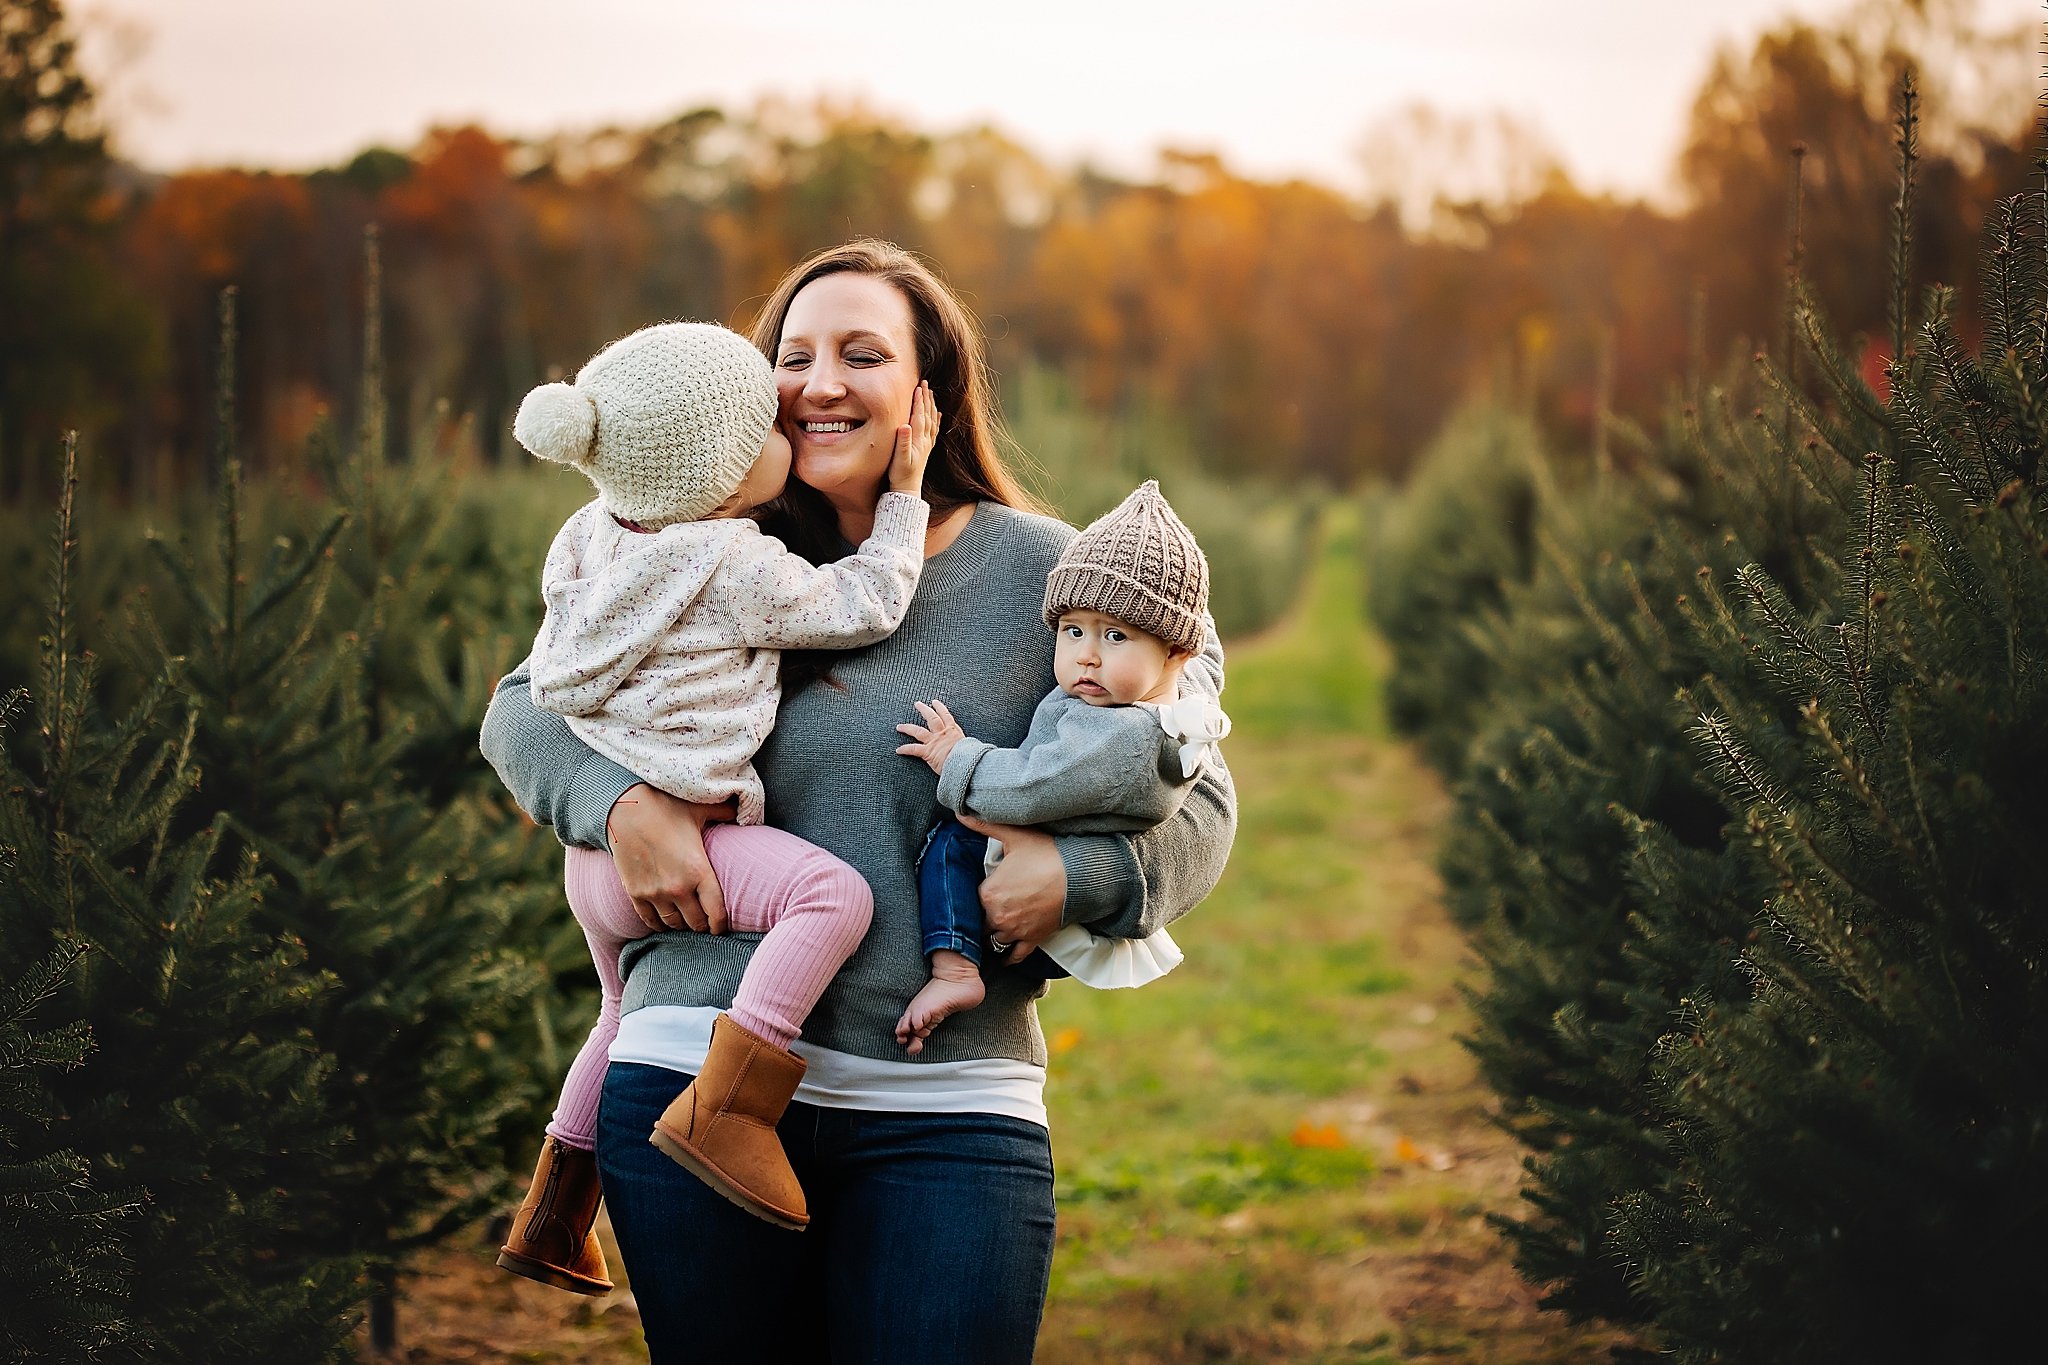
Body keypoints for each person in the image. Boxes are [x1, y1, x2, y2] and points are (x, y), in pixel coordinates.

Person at [479, 239, 1236, 1363]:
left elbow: (1199, 790)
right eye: (792, 355)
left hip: (945, 1102)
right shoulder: (696, 544)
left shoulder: (1058, 574)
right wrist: (620, 804)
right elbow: (519, 708)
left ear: (927, 394)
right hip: (688, 1069)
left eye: (861, 354)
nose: (819, 382)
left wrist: (1077, 878)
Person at [496, 320, 943, 1291]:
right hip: (688, 839)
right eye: (768, 414)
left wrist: (604, 801)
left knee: (614, 1008)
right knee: (830, 899)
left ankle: (554, 1208)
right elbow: (862, 603)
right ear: (727, 472)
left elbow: (540, 688)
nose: (796, 408)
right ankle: (730, 1109)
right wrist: (903, 503)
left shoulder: (590, 537)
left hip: (590, 867)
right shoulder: (731, 563)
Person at [891, 479, 1232, 1055]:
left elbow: (1034, 785)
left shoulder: (1122, 732)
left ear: (1176, 653)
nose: (1087, 655)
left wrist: (959, 760)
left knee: (951, 848)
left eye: (1115, 637)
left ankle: (955, 968)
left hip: (977, 1053)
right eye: (1072, 632)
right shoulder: (1142, 701)